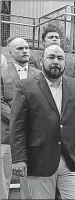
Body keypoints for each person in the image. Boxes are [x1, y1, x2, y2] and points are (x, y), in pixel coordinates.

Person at [9, 45, 75, 199]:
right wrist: (19, 158)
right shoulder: (25, 86)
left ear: (65, 62)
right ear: (42, 61)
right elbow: (17, 126)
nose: (56, 61)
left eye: (60, 58)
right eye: (51, 57)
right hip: (39, 161)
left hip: (73, 160)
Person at [1, 37, 40, 200]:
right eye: (19, 48)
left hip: (34, 135)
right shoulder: (2, 72)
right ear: (10, 52)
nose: (25, 51)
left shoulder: (39, 74)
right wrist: (19, 121)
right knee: (2, 180)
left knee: (30, 181)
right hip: (7, 134)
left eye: (26, 47)